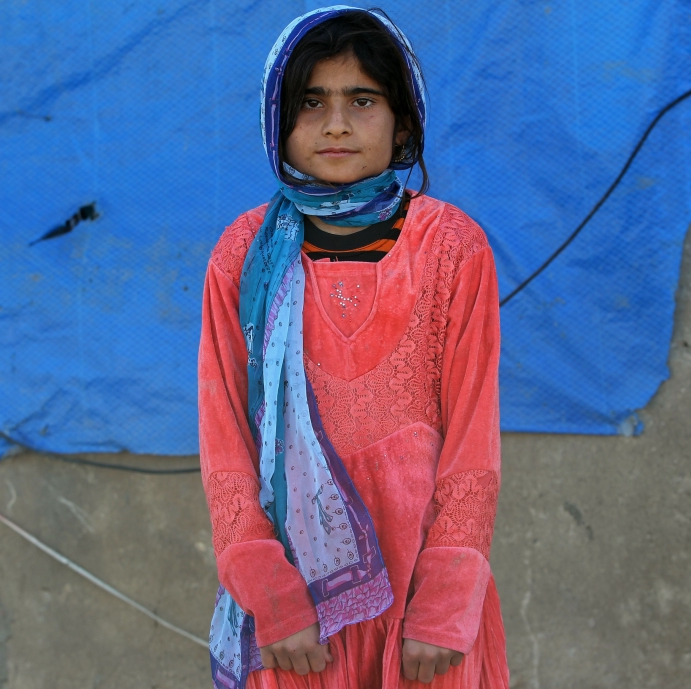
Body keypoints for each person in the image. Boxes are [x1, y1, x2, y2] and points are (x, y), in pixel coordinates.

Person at [198, 7, 507, 688]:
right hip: (298, 611)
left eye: (361, 100)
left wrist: (448, 599)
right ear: (280, 119)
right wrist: (267, 592)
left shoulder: (452, 248)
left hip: (420, 605)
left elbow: (473, 439)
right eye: (311, 102)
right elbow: (225, 444)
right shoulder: (242, 256)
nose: (336, 123)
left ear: (402, 122)